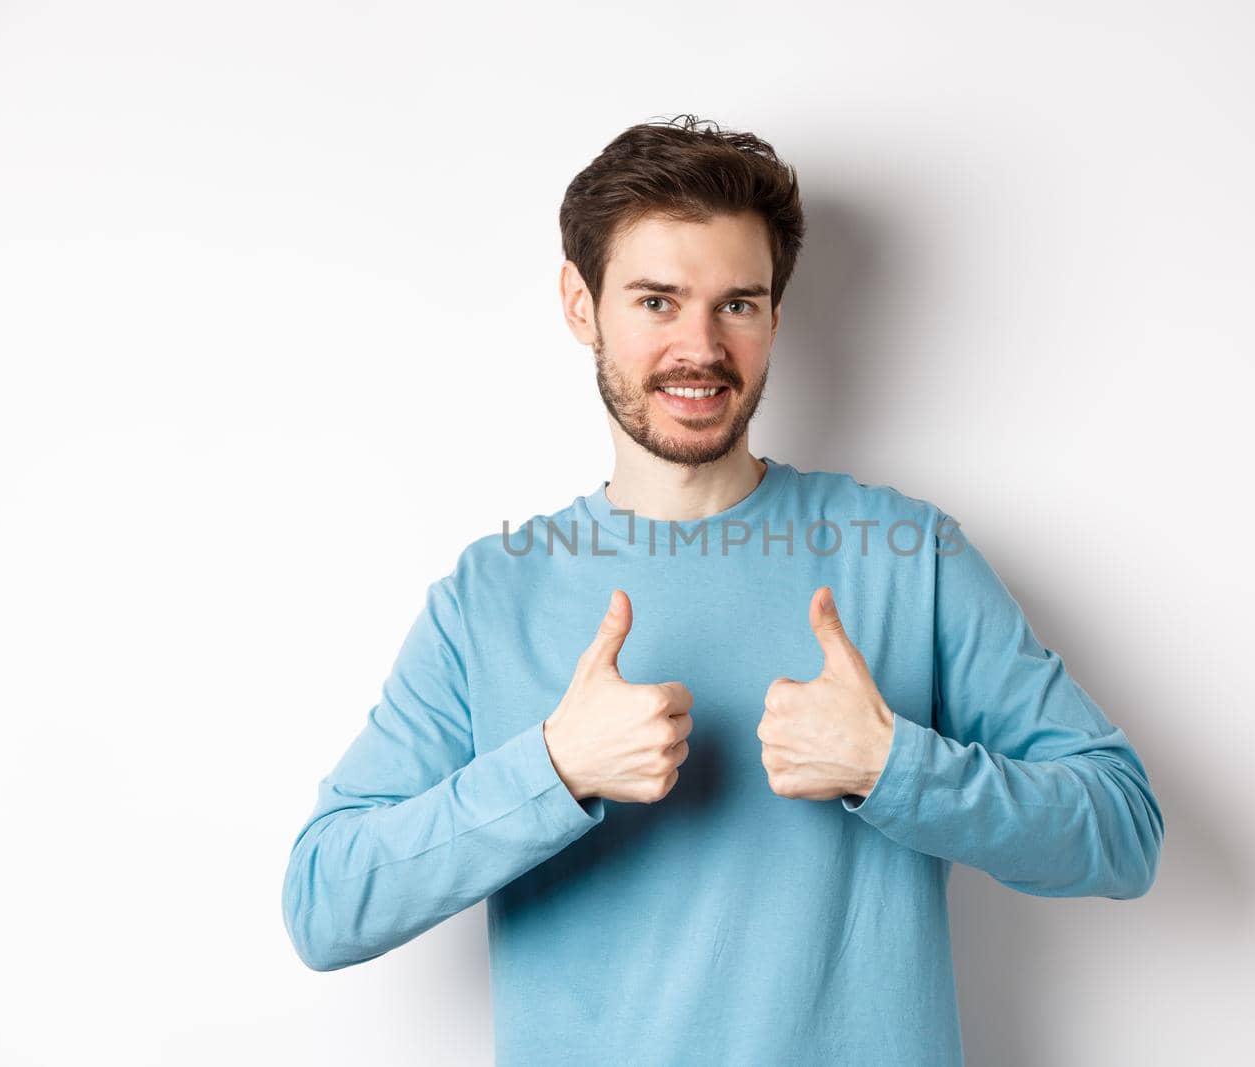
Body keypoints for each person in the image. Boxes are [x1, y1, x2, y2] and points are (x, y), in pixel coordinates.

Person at [281, 114, 1164, 1066]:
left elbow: (1122, 830)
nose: (699, 347)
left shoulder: (908, 554)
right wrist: (552, 769)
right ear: (581, 305)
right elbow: (326, 904)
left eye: (737, 304)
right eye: (657, 301)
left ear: (777, 314)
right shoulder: (489, 595)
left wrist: (895, 765)